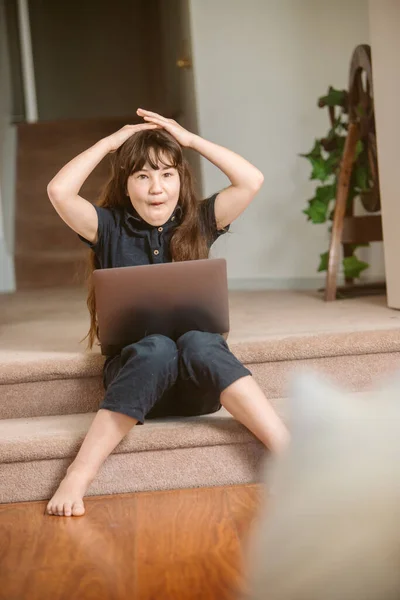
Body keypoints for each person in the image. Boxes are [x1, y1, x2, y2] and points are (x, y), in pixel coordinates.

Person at [46, 108, 289, 517]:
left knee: (200, 341)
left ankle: (289, 452)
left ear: (181, 180)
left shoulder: (198, 221)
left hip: (200, 388)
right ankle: (78, 475)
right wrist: (109, 144)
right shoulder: (108, 227)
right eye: (142, 175)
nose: (156, 187)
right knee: (155, 347)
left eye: (167, 174)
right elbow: (59, 191)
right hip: (136, 381)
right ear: (126, 185)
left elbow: (252, 180)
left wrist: (189, 141)